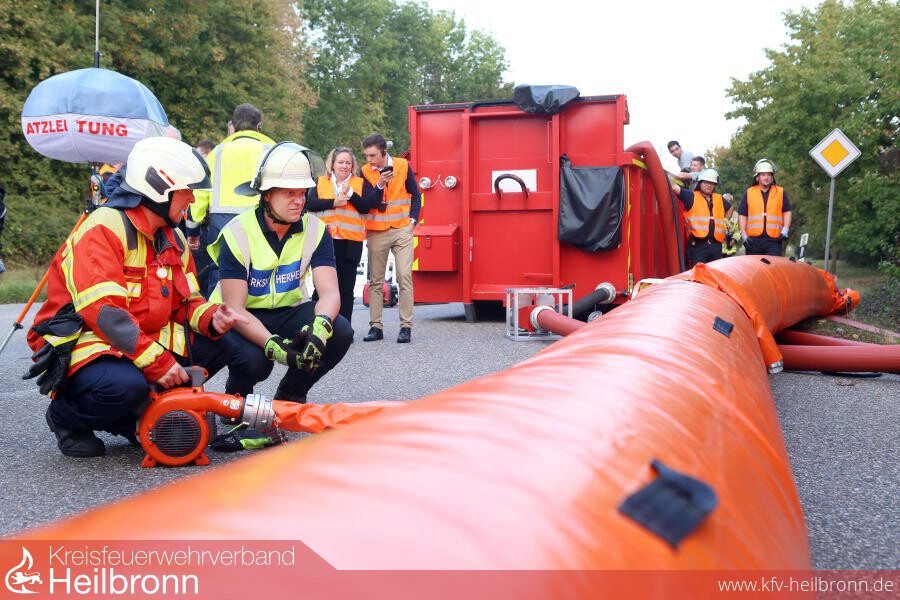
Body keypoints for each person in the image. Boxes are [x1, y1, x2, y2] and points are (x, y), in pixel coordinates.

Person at [25, 137, 246, 457]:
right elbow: (104, 313)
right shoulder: (104, 227)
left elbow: (186, 303)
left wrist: (212, 318)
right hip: (87, 341)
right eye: (187, 190)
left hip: (134, 337)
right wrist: (156, 362)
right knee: (124, 387)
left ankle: (141, 414)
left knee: (225, 345)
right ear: (160, 187)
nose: (192, 199)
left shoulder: (175, 238)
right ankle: (65, 417)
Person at [208, 142, 353, 404]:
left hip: (288, 310)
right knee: (256, 363)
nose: (299, 201)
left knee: (340, 330)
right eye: (289, 193)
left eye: (302, 193)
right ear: (266, 195)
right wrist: (274, 347)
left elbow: (330, 292)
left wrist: (321, 327)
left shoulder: (316, 230)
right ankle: (237, 392)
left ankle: (291, 394)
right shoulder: (236, 232)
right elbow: (235, 309)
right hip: (242, 315)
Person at [186, 104, 275, 296]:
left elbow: (199, 194)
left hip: (222, 225)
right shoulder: (271, 149)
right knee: (259, 276)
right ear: (258, 125)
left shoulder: (217, 152)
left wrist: (192, 230)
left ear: (233, 126)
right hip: (260, 223)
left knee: (220, 276)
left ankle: (217, 323)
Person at [359, 133, 421, 344]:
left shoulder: (403, 165)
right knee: (376, 280)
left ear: (384, 152)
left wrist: (413, 220)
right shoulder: (365, 171)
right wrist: (379, 184)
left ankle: (406, 327)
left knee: (404, 276)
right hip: (377, 231)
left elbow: (415, 194)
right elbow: (368, 203)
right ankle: (376, 327)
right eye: (367, 155)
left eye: (373, 155)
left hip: (403, 229)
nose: (369, 160)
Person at [306, 147, 371, 326]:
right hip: (325, 243)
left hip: (350, 243)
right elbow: (309, 203)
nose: (344, 166)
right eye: (340, 162)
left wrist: (351, 194)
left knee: (346, 289)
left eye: (348, 163)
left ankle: (344, 328)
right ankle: (315, 327)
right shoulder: (320, 182)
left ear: (353, 166)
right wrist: (333, 202)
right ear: (332, 165)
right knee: (321, 289)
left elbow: (366, 207)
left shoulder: (359, 183)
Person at [672, 168, 731, 266]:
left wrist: (725, 220)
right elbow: (673, 186)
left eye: (711, 183)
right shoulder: (690, 196)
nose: (709, 185)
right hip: (698, 246)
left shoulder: (719, 198)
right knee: (699, 277)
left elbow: (730, 208)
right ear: (700, 182)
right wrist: (680, 175)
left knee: (714, 276)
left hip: (716, 246)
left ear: (715, 185)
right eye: (706, 182)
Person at [738, 159, 792, 256]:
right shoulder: (749, 193)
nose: (766, 177)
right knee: (754, 270)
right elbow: (742, 214)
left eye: (769, 175)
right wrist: (743, 234)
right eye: (763, 175)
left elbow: (787, 211)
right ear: (757, 177)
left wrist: (785, 229)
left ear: (772, 176)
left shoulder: (780, 192)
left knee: (773, 269)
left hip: (774, 240)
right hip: (753, 241)